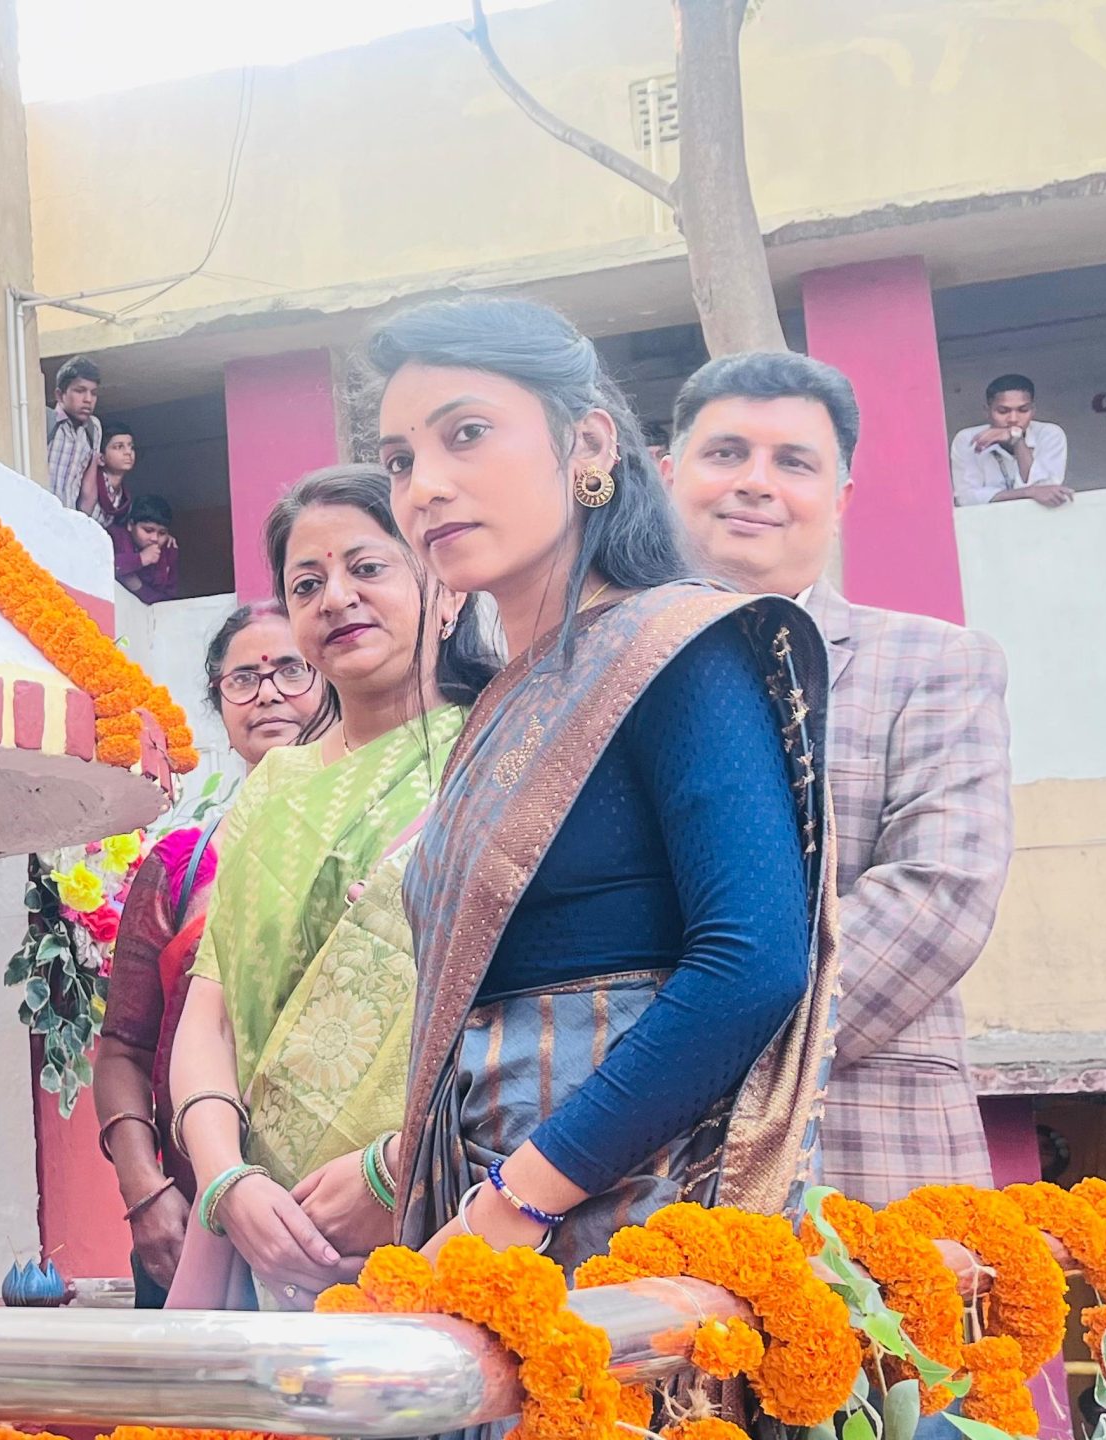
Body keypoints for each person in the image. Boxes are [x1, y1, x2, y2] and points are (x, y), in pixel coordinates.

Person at [360, 297, 837, 1273]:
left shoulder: (679, 647)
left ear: (586, 444)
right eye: (400, 460)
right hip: (488, 1204)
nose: (424, 487)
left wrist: (518, 1202)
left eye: (466, 434)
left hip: (630, 1215)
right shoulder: (500, 704)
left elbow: (751, 965)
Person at [666, 350, 1009, 1206]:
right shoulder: (597, 676)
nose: (755, 482)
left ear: (840, 499)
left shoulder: (934, 664)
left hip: (864, 1149)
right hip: (623, 1180)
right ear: (670, 476)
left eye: (793, 462)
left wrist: (675, 1058)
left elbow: (939, 893)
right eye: (726, 453)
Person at [164, 466, 494, 1311]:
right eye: (306, 583)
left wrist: (395, 1172)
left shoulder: (502, 758)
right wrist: (227, 1181)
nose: (336, 597)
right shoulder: (272, 788)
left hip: (447, 1212)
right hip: (260, 1230)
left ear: (447, 592)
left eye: (368, 567)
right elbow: (211, 1014)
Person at [95, 601, 329, 1308]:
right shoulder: (181, 864)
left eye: (292, 669)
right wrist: (145, 1193)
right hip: (195, 1227)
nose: (268, 693)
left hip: (338, 1217)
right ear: (219, 704)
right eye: (243, 679)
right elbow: (123, 1050)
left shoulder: (393, 839)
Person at [951, 373, 1073, 507]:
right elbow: (966, 498)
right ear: (987, 411)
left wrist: (1018, 441)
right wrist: (1027, 492)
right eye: (1003, 411)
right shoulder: (967, 439)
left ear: (1033, 410)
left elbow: (1046, 491)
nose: (1013, 419)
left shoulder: (1049, 434)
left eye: (1023, 410)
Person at [46, 356, 105, 513]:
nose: (88, 399)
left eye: (93, 393)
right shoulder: (45, 421)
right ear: (60, 395)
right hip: (38, 517)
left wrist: (84, 519)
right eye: (80, 391)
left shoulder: (93, 429)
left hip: (69, 521)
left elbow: (88, 488)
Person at [114, 494, 182, 604]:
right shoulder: (115, 536)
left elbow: (168, 601)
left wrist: (138, 587)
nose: (155, 538)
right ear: (130, 525)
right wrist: (140, 559)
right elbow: (100, 566)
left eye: (162, 533)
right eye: (148, 530)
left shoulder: (169, 550)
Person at [92, 421, 141, 526]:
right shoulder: (92, 484)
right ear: (101, 458)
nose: (128, 452)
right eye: (119, 447)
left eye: (131, 447)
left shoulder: (122, 495)